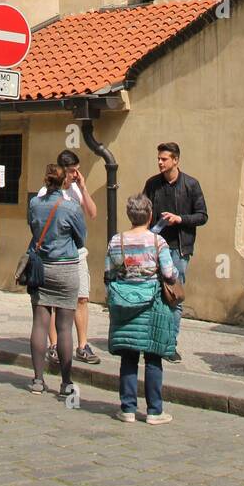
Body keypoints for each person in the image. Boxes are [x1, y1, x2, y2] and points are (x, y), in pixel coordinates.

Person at [105, 193, 177, 424]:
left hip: (125, 303)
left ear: (130, 215)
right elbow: (168, 273)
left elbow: (108, 273)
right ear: (149, 215)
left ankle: (127, 408)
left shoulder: (117, 241)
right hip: (153, 303)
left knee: (129, 355)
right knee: (153, 357)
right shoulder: (157, 242)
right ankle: (154, 411)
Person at [143, 141, 207, 362]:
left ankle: (170, 345)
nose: (160, 162)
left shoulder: (191, 184)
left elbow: (202, 216)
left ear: (176, 160)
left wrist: (180, 219)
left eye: (164, 159)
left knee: (174, 296)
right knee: (152, 294)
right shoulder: (152, 184)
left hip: (178, 249)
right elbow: (144, 213)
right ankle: (153, 341)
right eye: (159, 158)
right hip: (154, 248)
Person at [26, 163, 86, 398]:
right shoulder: (71, 208)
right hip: (66, 269)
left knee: (40, 324)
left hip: (41, 267)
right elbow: (81, 238)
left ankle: (38, 380)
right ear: (64, 182)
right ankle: (66, 382)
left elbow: (33, 229)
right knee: (64, 328)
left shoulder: (34, 204)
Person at [39, 152, 101, 368]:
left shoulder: (75, 189)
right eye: (73, 170)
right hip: (55, 257)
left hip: (77, 255)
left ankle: (82, 345)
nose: (76, 174)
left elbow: (92, 213)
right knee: (54, 303)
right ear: (63, 171)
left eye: (77, 170)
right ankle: (54, 346)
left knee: (82, 298)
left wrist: (83, 188)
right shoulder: (46, 193)